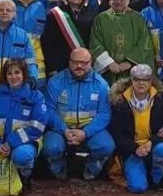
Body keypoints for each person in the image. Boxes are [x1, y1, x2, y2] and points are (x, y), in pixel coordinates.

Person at [0, 58, 48, 193]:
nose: (13, 77)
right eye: (9, 73)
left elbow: (37, 127)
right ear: (5, 76)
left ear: (24, 74)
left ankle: (24, 177)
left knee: (22, 156)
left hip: (25, 144)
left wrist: (11, 142)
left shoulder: (35, 96)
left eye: (17, 72)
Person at [44, 48, 114, 180]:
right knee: (51, 148)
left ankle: (91, 169)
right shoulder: (55, 82)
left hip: (90, 130)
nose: (79, 66)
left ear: (91, 63)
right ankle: (59, 169)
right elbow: (48, 110)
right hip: (61, 129)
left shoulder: (101, 85)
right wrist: (64, 130)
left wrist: (85, 133)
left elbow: (104, 114)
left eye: (84, 62)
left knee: (106, 146)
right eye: (75, 62)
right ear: (69, 62)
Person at [109, 64, 163, 193]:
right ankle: (136, 170)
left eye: (145, 79)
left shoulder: (160, 100)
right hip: (132, 150)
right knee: (137, 188)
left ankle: (156, 177)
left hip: (153, 146)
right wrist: (135, 148)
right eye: (137, 79)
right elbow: (116, 133)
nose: (141, 83)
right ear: (131, 80)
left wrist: (152, 142)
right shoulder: (120, 102)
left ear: (151, 81)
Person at [90, 0, 154, 84]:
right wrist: (109, 63)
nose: (118, 1)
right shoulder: (100, 19)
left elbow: (144, 43)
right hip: (108, 70)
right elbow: (95, 43)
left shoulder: (138, 18)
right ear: (109, 0)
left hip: (132, 69)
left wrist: (129, 63)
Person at [41, 0, 96, 77]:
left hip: (82, 64)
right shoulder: (54, 14)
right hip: (60, 65)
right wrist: (51, 67)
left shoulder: (90, 15)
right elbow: (48, 43)